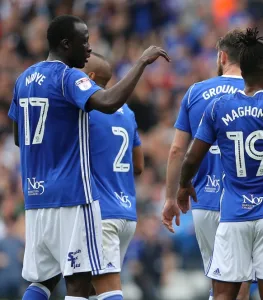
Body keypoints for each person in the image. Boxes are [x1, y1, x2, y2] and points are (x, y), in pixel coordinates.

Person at [8, 15, 169, 300]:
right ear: (66, 44)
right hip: (72, 196)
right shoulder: (68, 76)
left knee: (42, 281)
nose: (89, 48)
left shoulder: (23, 80)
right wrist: (141, 62)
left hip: (35, 198)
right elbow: (107, 102)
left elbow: (19, 138)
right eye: (84, 42)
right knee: (80, 283)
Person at [177, 28, 263, 300]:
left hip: (233, 217)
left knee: (222, 295)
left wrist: (184, 186)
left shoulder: (217, 109)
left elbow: (190, 158)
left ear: (242, 73)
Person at [161, 29, 250, 300]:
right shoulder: (257, 92)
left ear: (222, 56)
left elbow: (177, 150)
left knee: (219, 282)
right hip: (244, 202)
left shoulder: (196, 92)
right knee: (241, 280)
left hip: (203, 201)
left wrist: (169, 197)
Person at [81, 52, 144, 300]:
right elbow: (138, 165)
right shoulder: (127, 112)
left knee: (108, 289)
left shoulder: (85, 109)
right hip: (126, 212)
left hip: (101, 214)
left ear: (88, 77)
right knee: (86, 288)